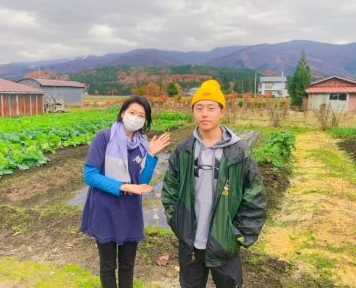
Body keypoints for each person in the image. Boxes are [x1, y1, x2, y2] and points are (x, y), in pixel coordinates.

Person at [161, 79, 267, 288]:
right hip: (191, 243)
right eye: (199, 108)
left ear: (222, 112)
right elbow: (169, 192)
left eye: (211, 108)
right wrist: (179, 224)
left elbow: (255, 197)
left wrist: (236, 235)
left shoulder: (239, 152)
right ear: (193, 112)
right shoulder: (183, 151)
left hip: (225, 244)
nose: (204, 113)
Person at [80, 96, 170, 288]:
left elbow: (142, 181)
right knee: (108, 265)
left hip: (130, 210)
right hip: (104, 208)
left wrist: (152, 154)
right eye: (132, 112)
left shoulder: (143, 144)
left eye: (141, 115)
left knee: (128, 265)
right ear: (122, 114)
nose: (135, 118)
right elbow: (90, 175)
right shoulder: (104, 138)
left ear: (145, 121)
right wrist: (124, 186)